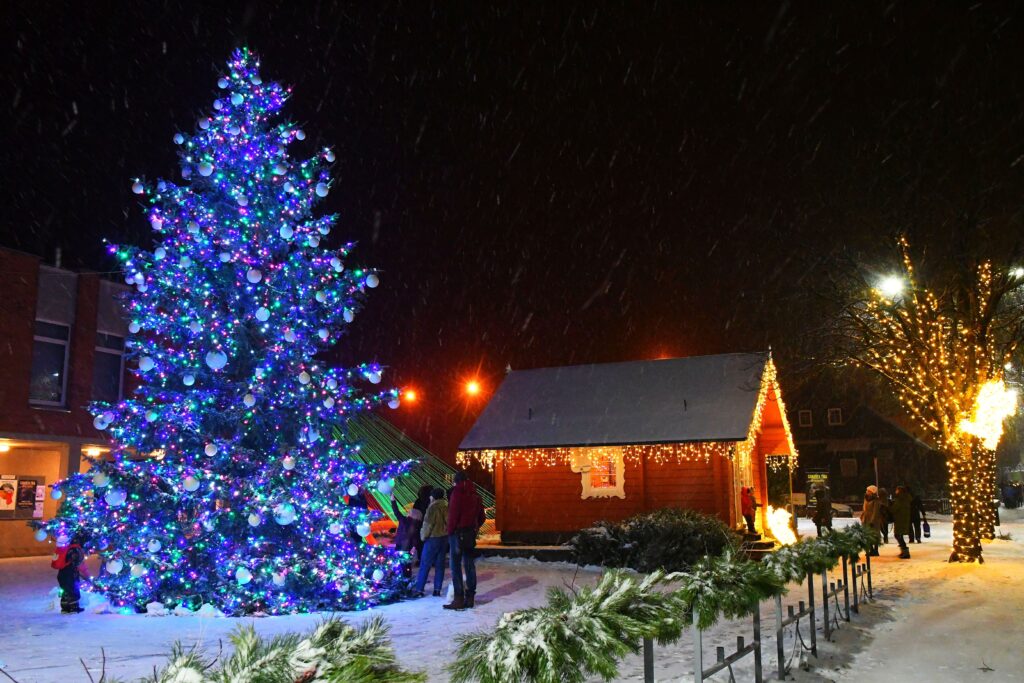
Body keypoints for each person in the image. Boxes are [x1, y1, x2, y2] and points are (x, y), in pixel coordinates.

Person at [444, 471, 485, 610]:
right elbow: (482, 517)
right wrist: (474, 528)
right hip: (469, 534)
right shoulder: (475, 495)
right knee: (469, 564)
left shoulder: (457, 493)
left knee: (455, 566)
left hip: (457, 534)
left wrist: (450, 531)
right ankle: (470, 597)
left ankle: (459, 598)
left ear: (456, 481)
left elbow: (453, 515)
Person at [414, 487, 449, 597]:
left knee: (425, 564)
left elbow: (428, 525)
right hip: (444, 538)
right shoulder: (447, 506)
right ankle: (437, 590)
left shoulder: (432, 508)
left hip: (433, 538)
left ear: (433, 496)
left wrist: (423, 537)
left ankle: (419, 590)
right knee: (440, 565)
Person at [389, 484, 431, 557]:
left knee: (399, 559)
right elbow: (415, 539)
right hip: (409, 547)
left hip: (399, 543)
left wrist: (392, 499)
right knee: (407, 560)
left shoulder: (403, 520)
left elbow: (396, 511)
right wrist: (414, 547)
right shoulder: (418, 525)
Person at [52, 533, 89, 613]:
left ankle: (65, 608)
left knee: (65, 590)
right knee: (73, 589)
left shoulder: (65, 548)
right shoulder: (75, 550)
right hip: (71, 573)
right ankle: (74, 608)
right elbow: (79, 564)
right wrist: (86, 575)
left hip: (61, 573)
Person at [889, 485, 912, 559]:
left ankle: (905, 552)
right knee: (899, 535)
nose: (896, 491)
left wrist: (890, 507)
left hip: (900, 520)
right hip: (903, 519)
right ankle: (904, 551)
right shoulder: (905, 498)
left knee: (898, 535)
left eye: (897, 490)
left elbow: (894, 509)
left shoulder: (900, 499)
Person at [860, 485, 882, 556]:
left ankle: (875, 550)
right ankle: (871, 549)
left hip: (874, 521)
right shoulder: (866, 499)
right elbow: (864, 509)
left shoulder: (876, 500)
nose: (866, 492)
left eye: (868, 491)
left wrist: (872, 521)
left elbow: (875, 511)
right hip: (866, 519)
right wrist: (862, 516)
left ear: (871, 492)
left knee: (875, 535)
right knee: (867, 535)